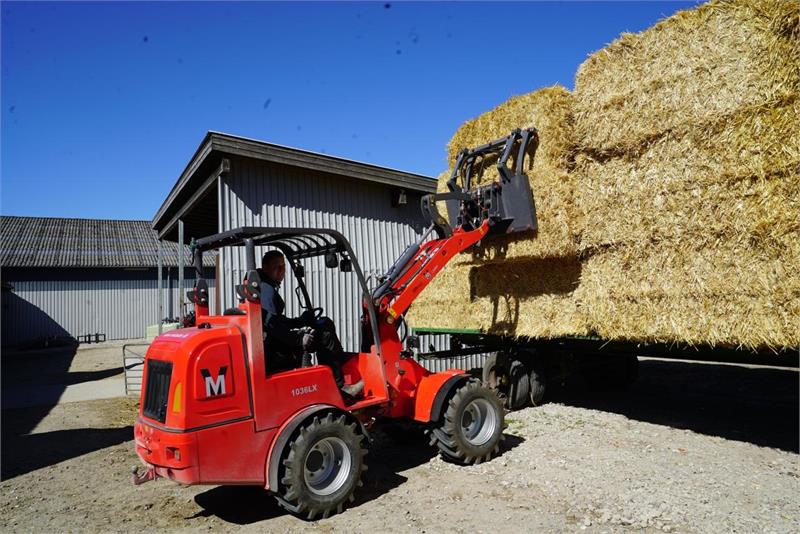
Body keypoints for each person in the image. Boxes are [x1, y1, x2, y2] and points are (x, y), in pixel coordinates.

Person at [259, 250, 364, 398]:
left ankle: (337, 368)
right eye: (277, 267)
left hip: (273, 342)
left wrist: (299, 321)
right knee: (325, 334)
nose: (281, 271)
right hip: (275, 348)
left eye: (283, 267)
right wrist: (298, 339)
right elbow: (271, 324)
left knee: (323, 324)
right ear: (265, 267)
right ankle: (340, 388)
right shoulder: (266, 290)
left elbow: (275, 320)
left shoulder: (261, 286)